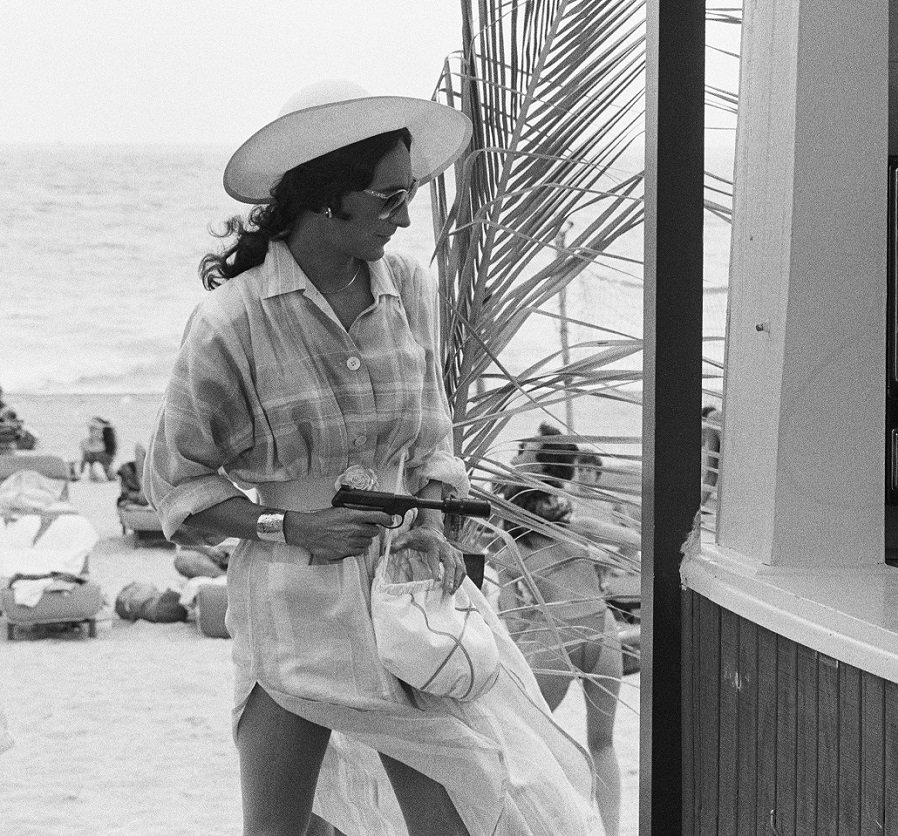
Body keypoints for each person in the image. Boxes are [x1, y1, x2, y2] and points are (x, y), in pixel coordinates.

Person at [143, 80, 598, 836]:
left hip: (411, 604)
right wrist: (292, 527)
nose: (406, 215)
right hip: (293, 614)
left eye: (410, 192)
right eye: (389, 197)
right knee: (282, 830)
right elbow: (177, 485)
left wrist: (429, 523)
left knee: (473, 805)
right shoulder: (232, 321)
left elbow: (430, 444)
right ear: (326, 198)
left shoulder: (412, 289)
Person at [494, 423, 623, 835]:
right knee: (603, 743)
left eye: (525, 448)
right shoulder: (576, 523)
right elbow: (640, 540)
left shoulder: (509, 534)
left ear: (538, 465)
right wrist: (603, 561)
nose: (517, 451)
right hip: (601, 630)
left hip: (553, 633)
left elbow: (512, 614)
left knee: (528, 741)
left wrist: (520, 638)